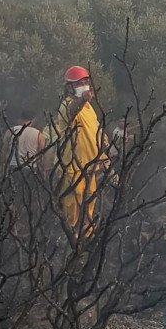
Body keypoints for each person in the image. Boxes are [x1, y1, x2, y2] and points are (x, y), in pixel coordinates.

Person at [49, 66, 110, 238]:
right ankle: (67, 239)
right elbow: (70, 113)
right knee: (72, 203)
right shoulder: (67, 104)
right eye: (80, 83)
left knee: (89, 202)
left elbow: (94, 131)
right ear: (69, 87)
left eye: (86, 81)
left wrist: (103, 157)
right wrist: (82, 100)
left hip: (90, 165)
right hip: (73, 166)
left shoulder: (90, 109)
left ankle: (85, 238)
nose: (85, 85)